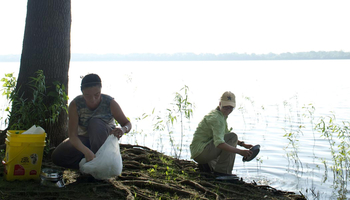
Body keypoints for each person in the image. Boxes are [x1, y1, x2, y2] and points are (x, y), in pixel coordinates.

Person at [51, 73, 131, 169]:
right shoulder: (75, 104)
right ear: (82, 92)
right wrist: (86, 151)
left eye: (96, 95)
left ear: (101, 90)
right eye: (87, 95)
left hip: (103, 140)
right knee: (57, 156)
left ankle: (99, 166)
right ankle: (87, 164)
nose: (92, 99)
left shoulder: (110, 103)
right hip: (85, 139)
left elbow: (127, 123)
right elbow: (72, 136)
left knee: (95, 123)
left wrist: (123, 129)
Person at [190, 91, 253, 176]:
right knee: (232, 137)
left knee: (229, 139)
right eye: (226, 107)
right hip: (201, 152)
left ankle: (207, 165)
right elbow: (219, 143)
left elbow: (224, 134)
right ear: (220, 104)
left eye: (230, 108)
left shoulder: (220, 115)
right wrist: (240, 152)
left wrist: (243, 144)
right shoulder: (217, 119)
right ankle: (223, 173)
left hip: (198, 151)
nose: (228, 110)